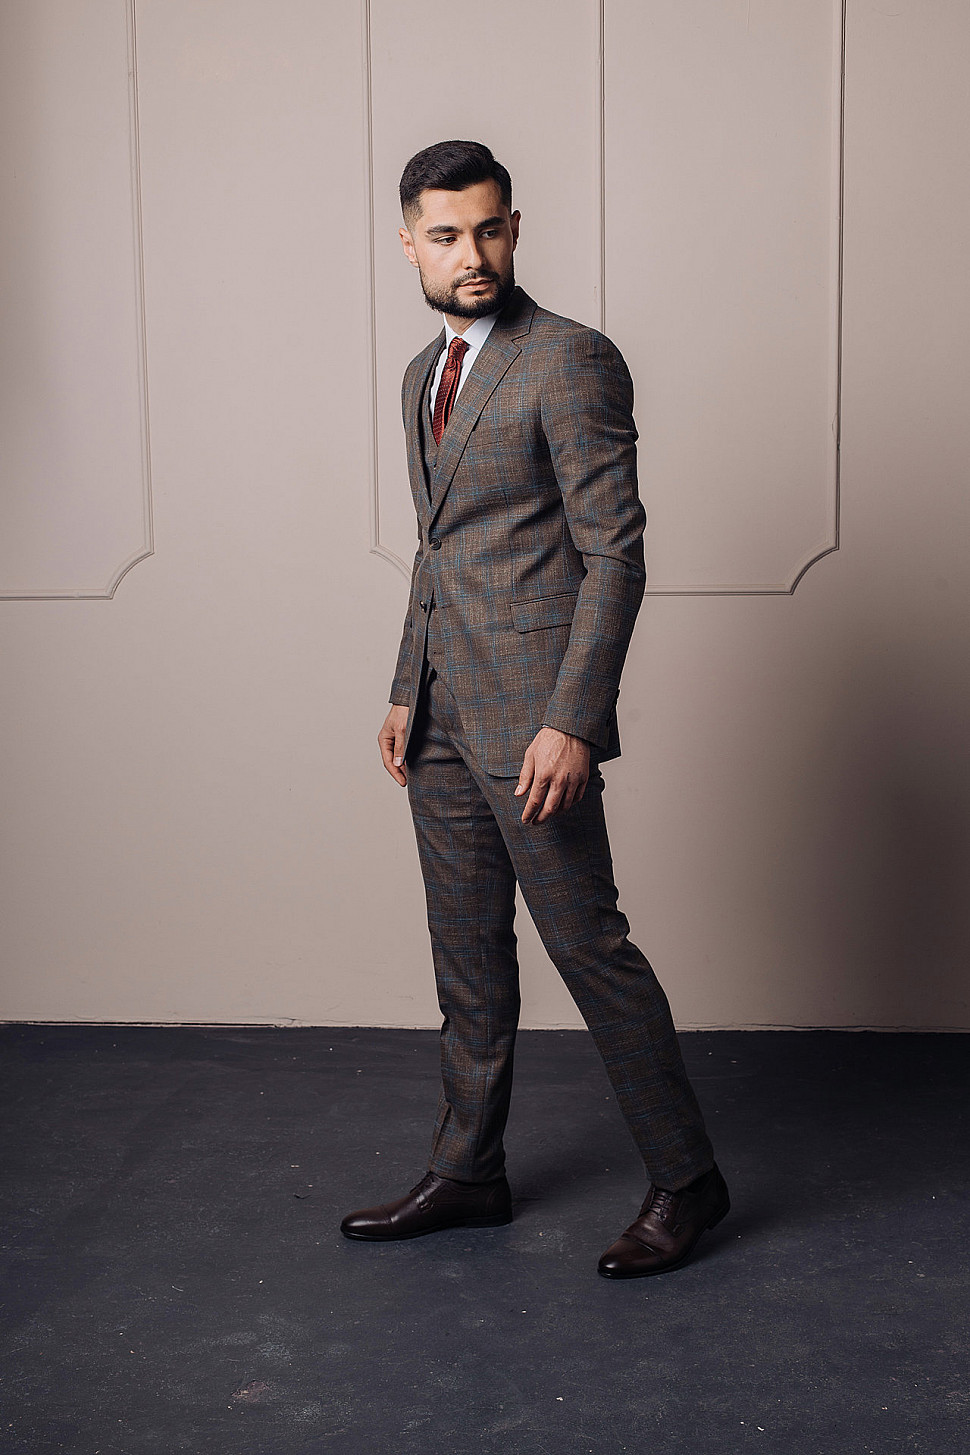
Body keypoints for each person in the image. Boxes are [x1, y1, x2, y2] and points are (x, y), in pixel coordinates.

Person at [340, 140, 729, 1278]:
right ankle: (468, 1170)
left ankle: (689, 1180)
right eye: (446, 235)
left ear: (514, 228)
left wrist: (573, 719)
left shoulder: (569, 360)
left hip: (531, 721)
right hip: (441, 716)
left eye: (490, 229)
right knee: (465, 955)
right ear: (408, 244)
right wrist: (404, 687)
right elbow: (440, 550)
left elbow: (614, 555)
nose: (472, 254)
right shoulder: (421, 375)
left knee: (587, 945)